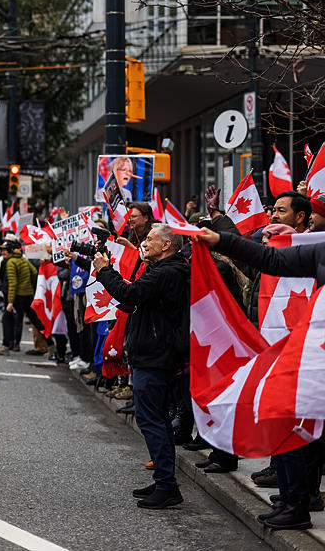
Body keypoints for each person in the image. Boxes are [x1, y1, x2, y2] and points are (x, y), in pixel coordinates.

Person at [197, 223, 324, 529]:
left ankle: (298, 500)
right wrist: (220, 240)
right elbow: (272, 259)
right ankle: (294, 501)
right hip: (314, 357)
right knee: (282, 416)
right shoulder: (321, 251)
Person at [93, 223, 189, 509]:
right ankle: (164, 481)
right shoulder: (164, 269)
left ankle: (167, 486)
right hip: (153, 353)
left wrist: (104, 270)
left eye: (150, 239)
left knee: (152, 420)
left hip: (156, 356)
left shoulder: (169, 271)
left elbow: (131, 294)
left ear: (167, 246)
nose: (145, 243)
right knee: (155, 419)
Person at [0, 239, 40, 355]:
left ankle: (13, 343)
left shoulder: (18, 261)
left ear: (11, 250)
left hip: (17, 296)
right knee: (10, 318)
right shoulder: (5, 261)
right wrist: (1, 287)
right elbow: (1, 277)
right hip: (11, 294)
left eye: (5, 250)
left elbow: (15, 282)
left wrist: (13, 298)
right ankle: (9, 343)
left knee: (18, 319)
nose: (3, 252)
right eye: (2, 250)